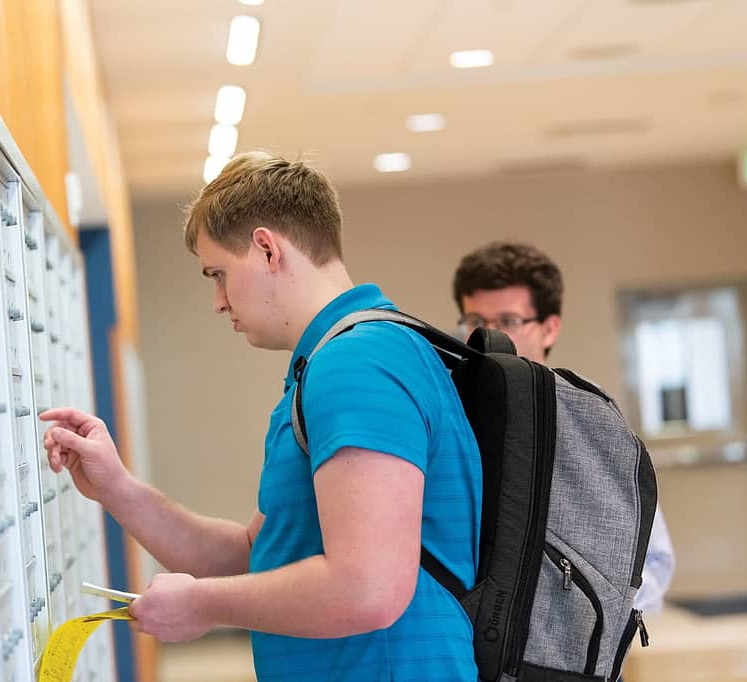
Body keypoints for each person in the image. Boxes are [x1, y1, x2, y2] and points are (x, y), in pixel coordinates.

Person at [40, 151, 482, 681]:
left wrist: (203, 606)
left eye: (218, 274)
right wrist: (116, 488)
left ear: (267, 248)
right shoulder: (328, 362)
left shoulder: (356, 364)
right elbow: (258, 555)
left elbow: (369, 589)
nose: (218, 302)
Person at [452, 240, 675, 613]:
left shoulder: (595, 428)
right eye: (475, 322)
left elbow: (653, 562)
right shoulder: (450, 417)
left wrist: (585, 629)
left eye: (508, 321)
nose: (490, 338)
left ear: (549, 329)